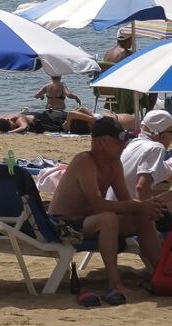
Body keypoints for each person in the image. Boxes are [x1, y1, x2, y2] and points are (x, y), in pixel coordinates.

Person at [46, 117, 163, 303]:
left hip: (88, 221)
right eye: (119, 141)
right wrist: (137, 205)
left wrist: (145, 207)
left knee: (142, 217)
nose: (123, 145)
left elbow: (125, 201)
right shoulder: (84, 161)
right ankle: (114, 283)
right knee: (108, 218)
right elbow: (99, 204)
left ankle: (161, 275)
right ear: (101, 142)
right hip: (64, 224)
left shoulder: (114, 164)